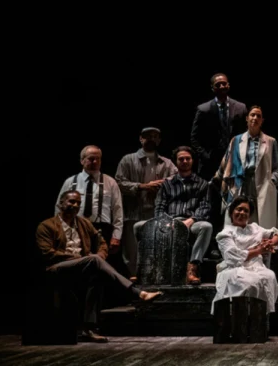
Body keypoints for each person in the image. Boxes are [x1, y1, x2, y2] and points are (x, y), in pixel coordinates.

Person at [36, 190, 161, 343]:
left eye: (78, 203)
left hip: (82, 265)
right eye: (71, 202)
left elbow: (101, 242)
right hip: (57, 267)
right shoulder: (47, 226)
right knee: (93, 261)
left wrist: (101, 255)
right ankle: (137, 293)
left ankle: (89, 328)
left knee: (96, 273)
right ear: (61, 203)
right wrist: (82, 258)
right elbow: (48, 253)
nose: (75, 205)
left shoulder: (83, 223)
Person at [115, 127, 178, 280]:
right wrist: (143, 186)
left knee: (156, 246)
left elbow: (176, 178)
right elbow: (119, 182)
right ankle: (133, 279)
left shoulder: (167, 162)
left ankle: (155, 278)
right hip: (134, 210)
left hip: (157, 211)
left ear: (159, 140)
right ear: (140, 139)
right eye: (147, 136)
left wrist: (161, 184)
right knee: (132, 249)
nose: (151, 138)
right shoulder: (128, 159)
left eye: (155, 136)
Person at [212, 197, 278, 316]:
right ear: (232, 212)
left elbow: (275, 234)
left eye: (246, 211)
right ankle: (240, 317)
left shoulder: (255, 228)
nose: (242, 213)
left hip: (257, 266)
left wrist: (271, 242)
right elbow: (233, 256)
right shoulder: (224, 234)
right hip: (235, 267)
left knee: (269, 276)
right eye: (239, 209)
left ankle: (259, 318)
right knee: (249, 282)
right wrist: (259, 250)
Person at [153, 146, 214, 285]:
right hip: (171, 221)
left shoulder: (202, 184)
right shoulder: (167, 184)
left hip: (192, 222)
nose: (185, 161)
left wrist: (191, 220)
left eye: (188, 158)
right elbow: (159, 208)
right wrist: (167, 222)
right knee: (139, 226)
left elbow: (205, 207)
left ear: (192, 161)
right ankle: (148, 269)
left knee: (206, 226)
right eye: (181, 159)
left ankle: (192, 267)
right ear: (175, 162)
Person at [216, 105, 278, 228]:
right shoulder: (236, 140)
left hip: (262, 183)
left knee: (260, 218)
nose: (255, 118)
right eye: (252, 115)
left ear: (262, 121)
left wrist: (272, 181)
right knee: (239, 213)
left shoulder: (270, 141)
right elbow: (227, 163)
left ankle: (261, 245)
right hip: (241, 181)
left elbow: (277, 167)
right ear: (246, 118)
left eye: (258, 116)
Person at [57, 145, 124, 251]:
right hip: (75, 228)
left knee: (100, 263)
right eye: (91, 159)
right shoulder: (71, 182)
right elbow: (59, 209)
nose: (95, 162)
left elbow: (118, 211)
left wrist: (116, 236)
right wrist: (59, 231)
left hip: (101, 230)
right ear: (82, 160)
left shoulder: (110, 182)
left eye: (98, 159)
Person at [191, 73, 248, 180]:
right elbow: (194, 138)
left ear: (228, 85)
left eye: (224, 83)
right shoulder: (204, 109)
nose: (222, 86)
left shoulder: (241, 108)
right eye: (218, 85)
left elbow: (246, 133)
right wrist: (205, 156)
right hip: (211, 163)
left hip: (235, 159)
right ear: (212, 88)